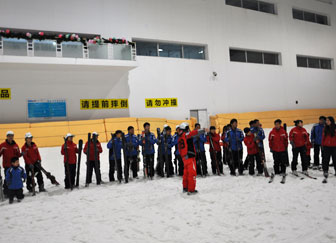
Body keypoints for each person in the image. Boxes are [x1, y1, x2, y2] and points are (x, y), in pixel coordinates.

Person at [178, 122, 199, 194]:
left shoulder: (180, 137)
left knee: (186, 174)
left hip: (184, 158)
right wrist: (203, 130)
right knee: (192, 173)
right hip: (190, 156)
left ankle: (185, 187)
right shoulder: (186, 135)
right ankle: (191, 189)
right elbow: (193, 133)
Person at [0, 131, 21, 197]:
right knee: (8, 179)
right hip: (7, 166)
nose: (11, 137)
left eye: (12, 136)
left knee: (16, 178)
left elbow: (18, 155)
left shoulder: (16, 145)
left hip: (15, 166)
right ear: (7, 136)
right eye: (9, 136)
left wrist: (21, 154)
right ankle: (6, 192)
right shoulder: (2, 145)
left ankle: (16, 192)